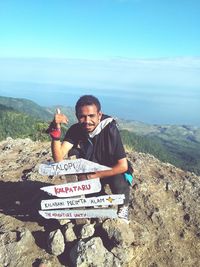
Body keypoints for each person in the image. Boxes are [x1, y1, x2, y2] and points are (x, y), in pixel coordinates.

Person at [48, 95, 132, 222]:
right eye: (82, 116)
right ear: (77, 116)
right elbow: (59, 159)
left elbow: (123, 166)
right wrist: (56, 132)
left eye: (91, 116)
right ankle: (100, 198)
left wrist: (94, 176)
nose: (87, 121)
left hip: (112, 169)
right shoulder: (76, 130)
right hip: (92, 168)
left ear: (99, 115)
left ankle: (123, 207)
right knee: (73, 152)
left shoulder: (110, 129)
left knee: (119, 181)